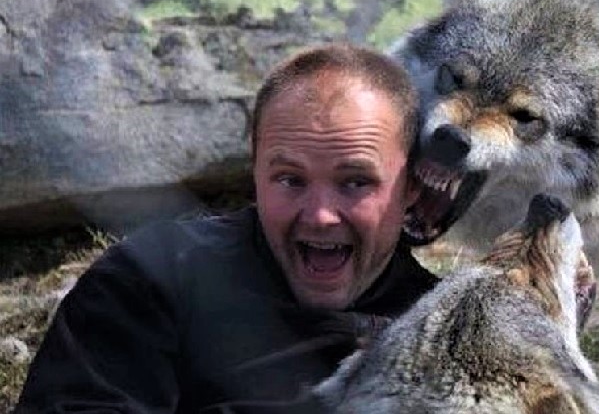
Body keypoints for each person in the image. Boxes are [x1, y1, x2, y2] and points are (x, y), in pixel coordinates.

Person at [15, 44, 440, 413]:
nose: (320, 216)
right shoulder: (156, 278)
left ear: (412, 188)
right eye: (290, 180)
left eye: (355, 182)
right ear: (253, 174)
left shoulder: (447, 325)